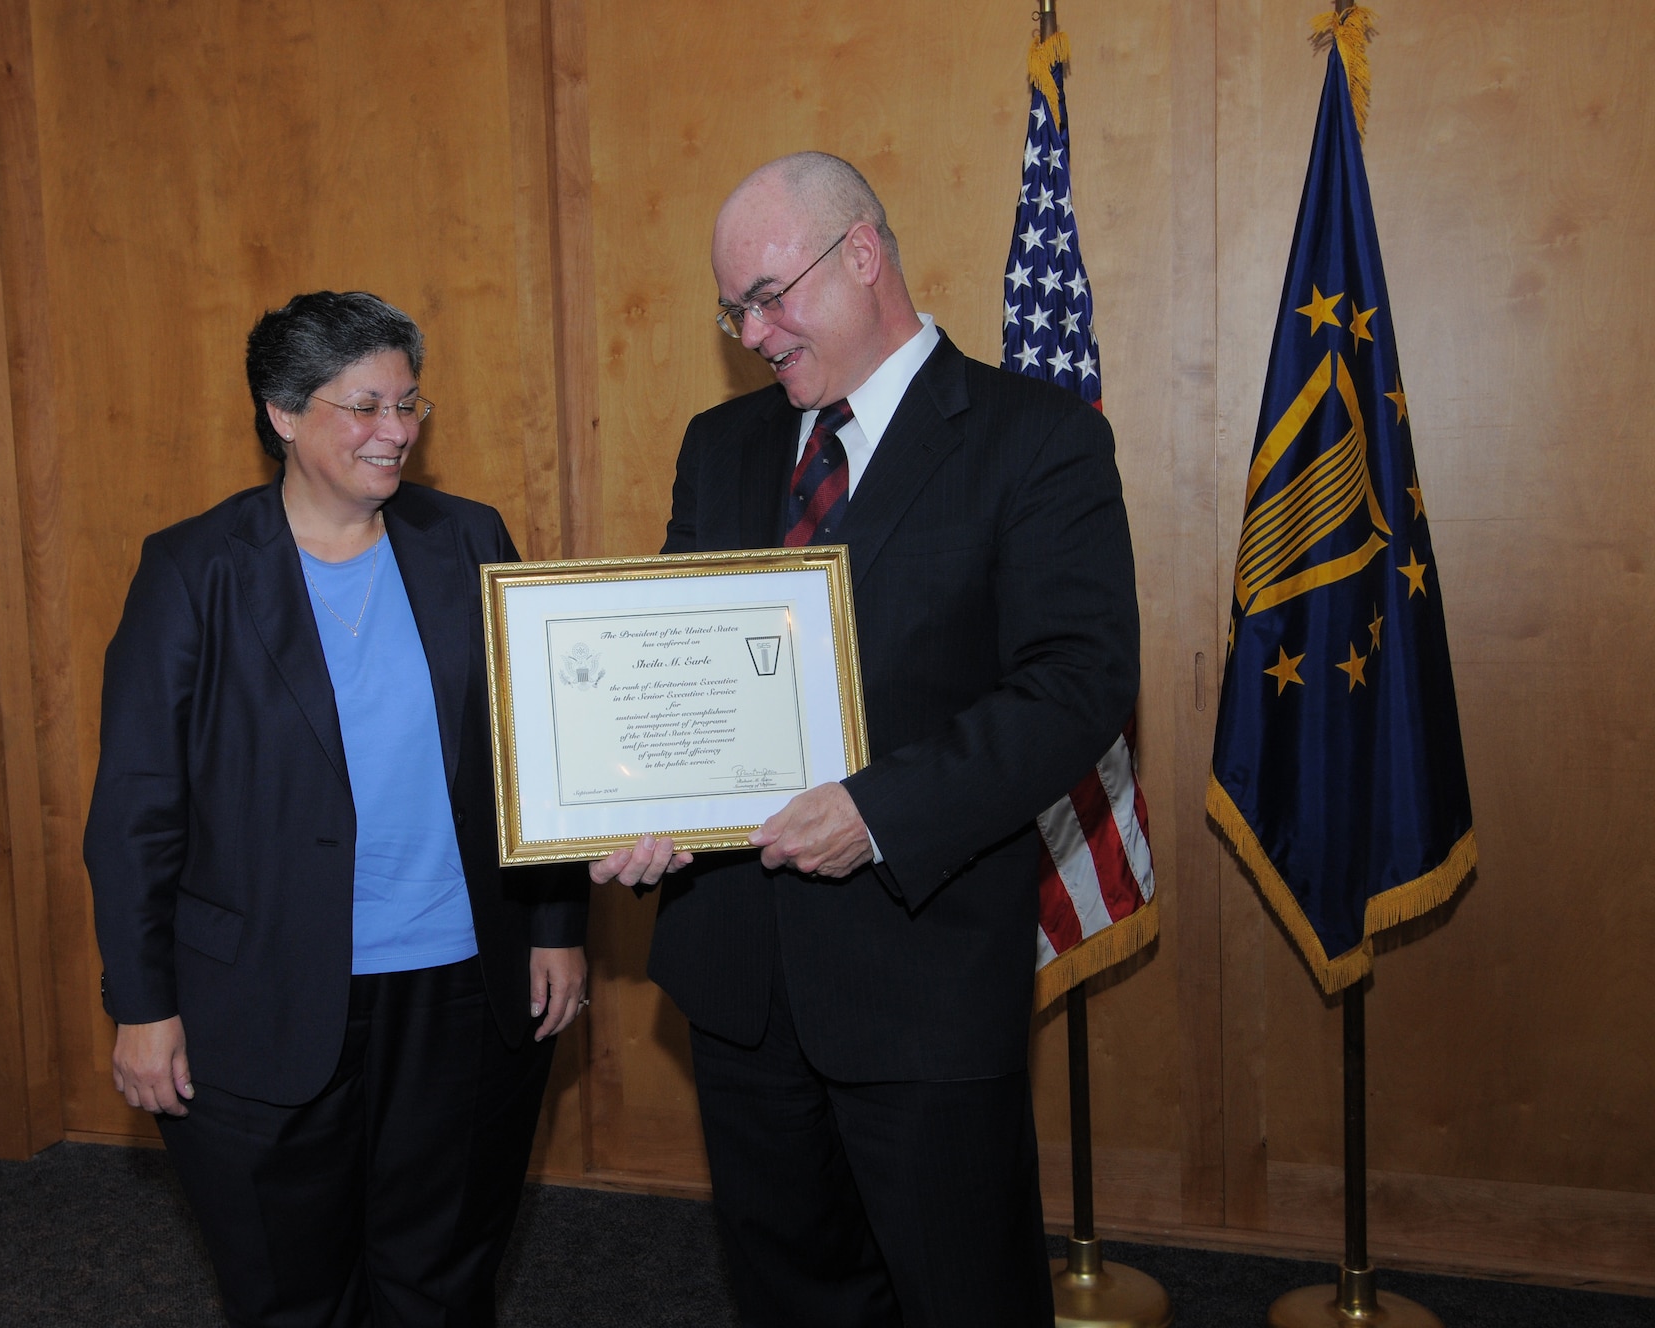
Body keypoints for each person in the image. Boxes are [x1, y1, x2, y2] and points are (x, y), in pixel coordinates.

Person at [591, 154, 1139, 1326]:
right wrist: (628, 799)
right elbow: (677, 668)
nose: (752, 331)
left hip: (919, 974)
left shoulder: (1032, 437)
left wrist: (879, 810)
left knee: (959, 1297)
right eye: (733, 308)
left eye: (769, 294)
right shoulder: (720, 443)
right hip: (738, 974)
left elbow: (1076, 685)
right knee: (791, 1294)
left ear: (860, 253)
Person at [85, 290, 587, 1328]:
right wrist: (141, 1002)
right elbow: (136, 804)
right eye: (363, 407)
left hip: (459, 985)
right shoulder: (193, 570)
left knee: (441, 1274)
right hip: (258, 997)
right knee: (290, 1289)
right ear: (281, 412)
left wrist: (553, 923)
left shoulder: (467, 536)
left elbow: (530, 747)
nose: (396, 432)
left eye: (409, 403)